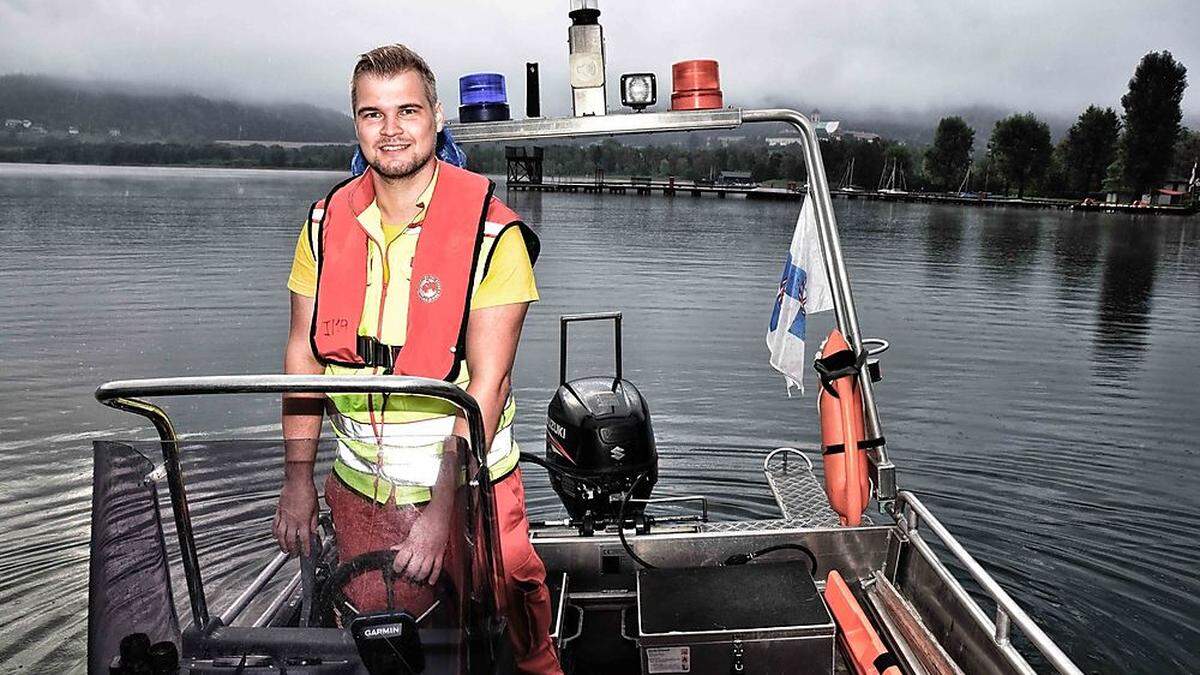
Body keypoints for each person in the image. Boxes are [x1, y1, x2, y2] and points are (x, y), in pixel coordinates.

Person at [272, 44, 561, 674]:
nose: (391, 129)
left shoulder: (494, 232)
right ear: (355, 124)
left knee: (519, 631)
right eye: (372, 114)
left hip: (472, 489)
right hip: (359, 492)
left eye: (407, 110)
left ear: (436, 116)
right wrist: (297, 480)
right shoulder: (323, 225)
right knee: (385, 647)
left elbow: (489, 382)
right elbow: (302, 355)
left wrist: (439, 510)